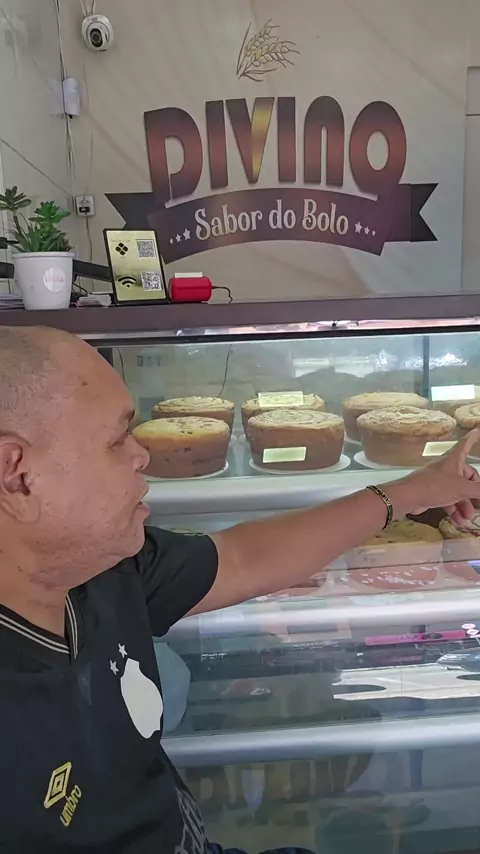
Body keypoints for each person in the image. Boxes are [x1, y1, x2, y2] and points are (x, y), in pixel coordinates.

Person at [0, 326, 479, 854]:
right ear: (16, 475)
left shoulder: (102, 568)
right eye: (117, 440)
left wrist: (414, 490)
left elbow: (244, 556)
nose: (142, 456)